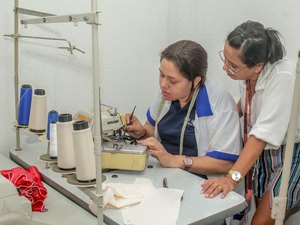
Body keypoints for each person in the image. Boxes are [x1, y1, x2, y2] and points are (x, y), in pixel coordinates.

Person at [201, 20, 300, 225]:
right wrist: (225, 118)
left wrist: (230, 179)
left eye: (233, 66)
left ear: (258, 66)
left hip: (291, 154)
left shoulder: (284, 76)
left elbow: (261, 135)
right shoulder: (248, 76)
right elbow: (249, 106)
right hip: (263, 154)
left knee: (261, 222)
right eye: (225, 59)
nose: (225, 67)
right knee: (263, 214)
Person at [124, 40, 242, 181]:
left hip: (202, 182)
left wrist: (174, 160)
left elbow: (225, 163)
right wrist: (141, 132)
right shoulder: (166, 94)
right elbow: (151, 127)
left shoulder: (219, 103)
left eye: (173, 81)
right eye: (161, 75)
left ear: (196, 81)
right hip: (164, 174)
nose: (163, 84)